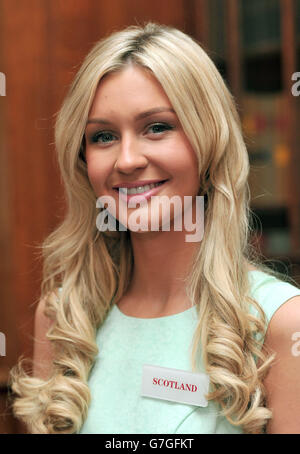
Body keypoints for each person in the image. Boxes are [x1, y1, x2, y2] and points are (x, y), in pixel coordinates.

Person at [9, 22, 300, 434]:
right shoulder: (63, 318)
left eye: (157, 127)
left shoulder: (283, 324)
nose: (126, 160)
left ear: (209, 141)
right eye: (104, 136)